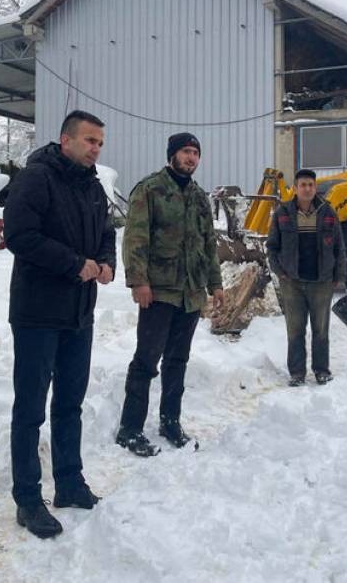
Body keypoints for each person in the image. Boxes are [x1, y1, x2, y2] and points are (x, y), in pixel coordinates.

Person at [4, 109, 115, 539]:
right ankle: (28, 498)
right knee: (29, 409)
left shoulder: (93, 185)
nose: (96, 149)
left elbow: (107, 232)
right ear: (65, 140)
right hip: (37, 314)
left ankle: (69, 482)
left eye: (100, 143)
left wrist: (106, 263)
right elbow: (20, 235)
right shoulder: (37, 178)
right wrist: (75, 265)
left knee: (70, 404)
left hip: (78, 313)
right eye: (90, 141)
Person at [117, 132, 224, 457]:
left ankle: (170, 421)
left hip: (190, 294)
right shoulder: (149, 189)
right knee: (146, 361)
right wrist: (138, 282)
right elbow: (135, 239)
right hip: (159, 292)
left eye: (195, 152)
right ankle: (130, 428)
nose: (191, 158)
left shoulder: (199, 196)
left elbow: (208, 244)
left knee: (177, 361)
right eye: (186, 152)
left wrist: (215, 283)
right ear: (172, 155)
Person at [266, 168, 346, 386]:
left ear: (315, 187)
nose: (307, 189)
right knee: (295, 330)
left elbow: (339, 246)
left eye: (311, 185)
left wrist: (339, 275)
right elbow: (272, 247)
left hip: (321, 281)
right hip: (292, 282)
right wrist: (281, 273)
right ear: (296, 188)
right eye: (303, 185)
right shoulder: (283, 213)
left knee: (321, 330)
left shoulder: (328, 212)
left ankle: (321, 370)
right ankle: (297, 374)